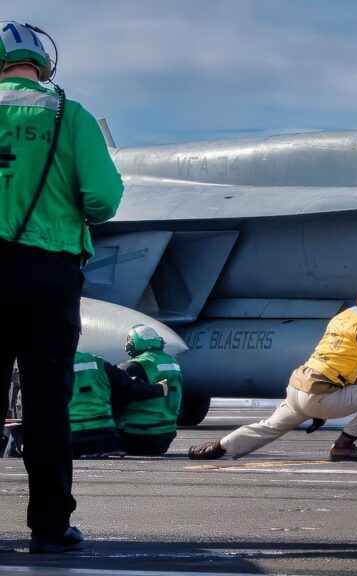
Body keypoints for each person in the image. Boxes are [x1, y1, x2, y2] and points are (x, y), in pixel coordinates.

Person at [0, 22, 123, 554]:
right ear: (44, 64)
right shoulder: (69, 115)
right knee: (48, 404)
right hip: (47, 275)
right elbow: (103, 199)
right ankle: (49, 528)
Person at [188, 282, 357, 462]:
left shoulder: (344, 317)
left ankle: (219, 447)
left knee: (269, 427)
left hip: (299, 388)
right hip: (321, 394)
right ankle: (345, 444)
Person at [69, 350, 167, 459]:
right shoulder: (98, 362)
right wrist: (159, 389)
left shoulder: (52, 364)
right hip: (104, 437)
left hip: (70, 438)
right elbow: (129, 385)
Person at [116, 325, 183, 456]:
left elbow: (116, 398)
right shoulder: (172, 363)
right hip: (166, 437)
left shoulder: (132, 366)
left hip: (137, 436)